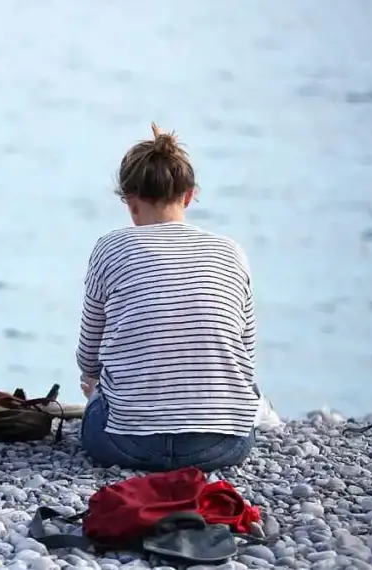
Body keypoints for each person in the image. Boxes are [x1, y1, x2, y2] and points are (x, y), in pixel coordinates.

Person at [77, 123, 259, 472]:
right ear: (189, 196)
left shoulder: (110, 248)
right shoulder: (230, 252)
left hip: (126, 443)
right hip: (222, 444)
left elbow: (88, 356)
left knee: (100, 395)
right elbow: (245, 353)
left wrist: (97, 384)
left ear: (131, 204)